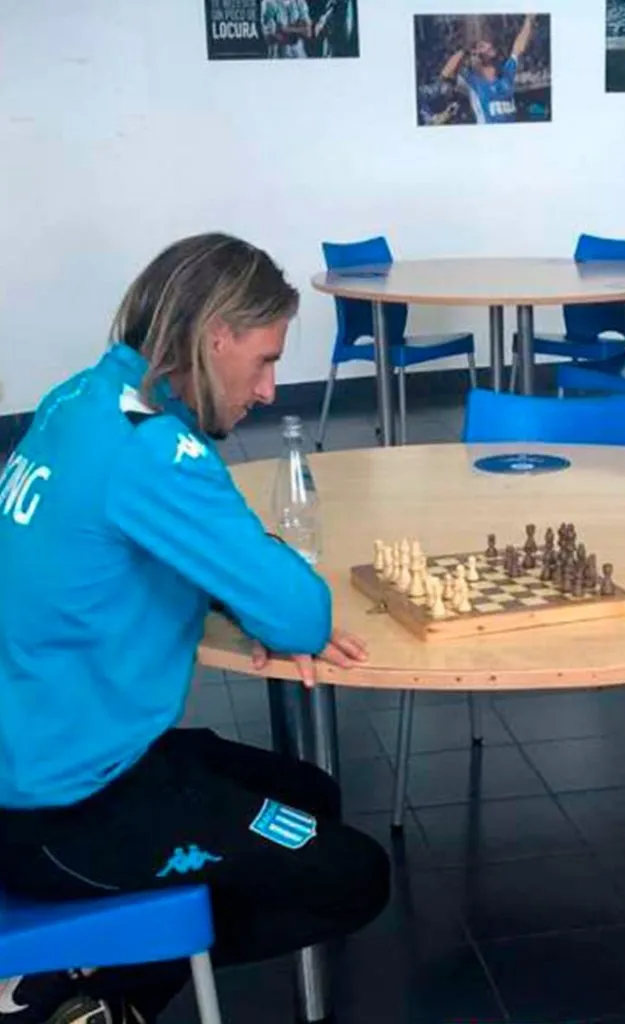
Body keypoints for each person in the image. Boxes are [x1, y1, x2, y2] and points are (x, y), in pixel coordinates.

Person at [0, 234, 390, 1024]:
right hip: (65, 804)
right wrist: (258, 590)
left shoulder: (80, 398)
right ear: (215, 339)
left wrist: (235, 587)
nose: (271, 390)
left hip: (41, 748)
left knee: (310, 791)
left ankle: (93, 970)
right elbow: (301, 613)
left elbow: (127, 551)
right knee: (355, 876)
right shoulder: (156, 448)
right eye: (264, 360)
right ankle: (87, 993)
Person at [439, 15, 535, 124]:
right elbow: (446, 74)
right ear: (477, 52)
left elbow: (518, 49)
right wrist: (466, 50)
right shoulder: (472, 81)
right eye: (483, 45)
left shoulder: (505, 72)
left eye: (488, 43)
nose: (489, 45)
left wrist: (529, 19)